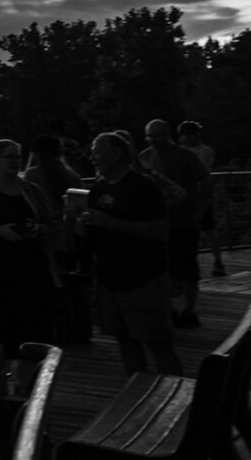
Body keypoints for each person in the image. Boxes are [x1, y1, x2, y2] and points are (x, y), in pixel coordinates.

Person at [78, 130, 182, 376]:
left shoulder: (143, 187)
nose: (92, 157)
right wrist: (82, 228)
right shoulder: (98, 188)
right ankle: (137, 395)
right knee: (124, 340)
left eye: (97, 151)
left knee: (158, 343)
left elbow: (158, 229)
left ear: (116, 154)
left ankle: (177, 398)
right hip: (110, 278)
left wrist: (111, 223)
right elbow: (96, 232)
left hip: (143, 278)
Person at [0, 139, 61, 356]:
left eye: (18, 156)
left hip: (32, 269)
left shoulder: (32, 191)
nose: (16, 161)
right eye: (9, 156)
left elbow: (53, 224)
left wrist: (36, 229)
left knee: (33, 326)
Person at [139, 119, 211, 326]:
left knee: (188, 268)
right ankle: (167, 308)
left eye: (156, 136)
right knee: (162, 268)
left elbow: (205, 181)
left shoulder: (186, 156)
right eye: (149, 136)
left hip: (184, 221)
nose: (152, 140)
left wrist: (199, 209)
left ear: (167, 134)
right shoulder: (145, 157)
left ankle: (190, 310)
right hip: (158, 223)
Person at [22, 134, 88, 343]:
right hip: (69, 240)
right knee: (72, 288)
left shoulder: (31, 176)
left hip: (44, 240)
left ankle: (53, 331)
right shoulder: (72, 176)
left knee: (47, 289)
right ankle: (75, 330)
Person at [179, 121, 226, 276]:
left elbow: (201, 171)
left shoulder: (205, 151)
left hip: (200, 196)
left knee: (209, 229)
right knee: (189, 231)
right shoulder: (180, 152)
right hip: (185, 196)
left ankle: (218, 261)